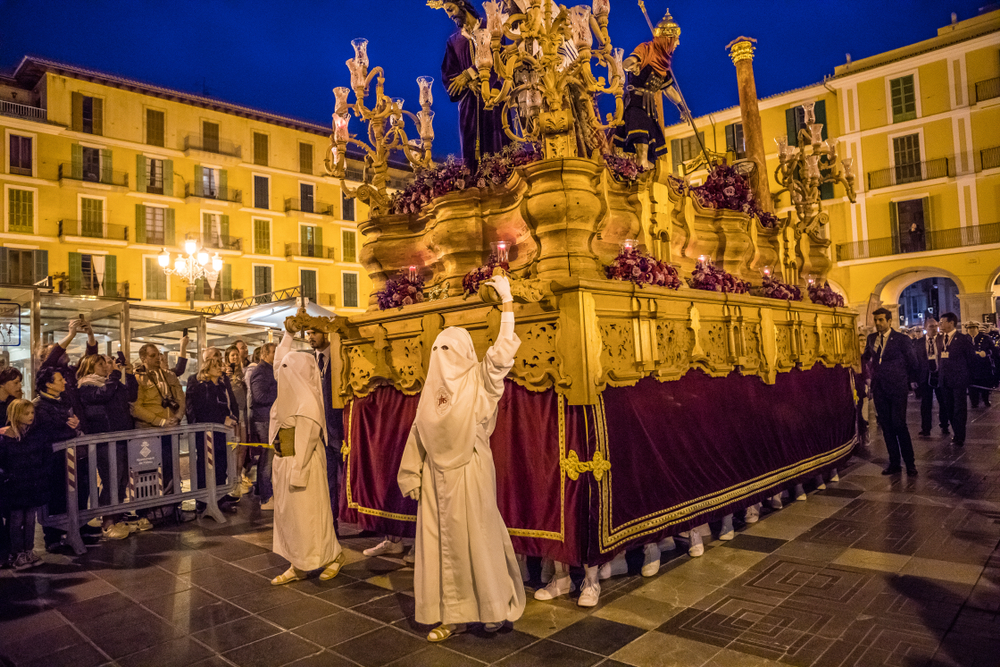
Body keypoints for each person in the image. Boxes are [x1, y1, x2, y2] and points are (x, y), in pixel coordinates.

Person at [398, 275, 526, 642]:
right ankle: (449, 615)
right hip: (435, 481)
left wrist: (507, 302)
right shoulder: (430, 392)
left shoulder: (479, 381)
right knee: (442, 549)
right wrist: (411, 474)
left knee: (477, 540)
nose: (441, 359)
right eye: (437, 351)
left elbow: (502, 352)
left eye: (448, 351)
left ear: (466, 352)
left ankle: (490, 609)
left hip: (470, 473)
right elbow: (418, 433)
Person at [268, 330, 344, 585]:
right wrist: (287, 336)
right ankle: (298, 562)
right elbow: (279, 364)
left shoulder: (307, 403)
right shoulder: (287, 395)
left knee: (311, 517)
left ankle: (332, 556)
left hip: (304, 467)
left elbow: (308, 439)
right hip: (286, 462)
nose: (283, 374)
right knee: (293, 519)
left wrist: (297, 470)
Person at [436, 0, 510, 171]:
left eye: (450, 9)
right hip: (469, 106)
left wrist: (468, 73)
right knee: (471, 149)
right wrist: (469, 84)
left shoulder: (492, 27)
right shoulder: (454, 41)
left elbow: (500, 57)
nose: (449, 15)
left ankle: (500, 176)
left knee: (496, 140)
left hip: (494, 96)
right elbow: (449, 75)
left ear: (461, 3)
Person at [612, 12, 685, 169]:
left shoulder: (664, 64)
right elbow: (628, 62)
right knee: (642, 145)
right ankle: (639, 175)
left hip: (650, 108)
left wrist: (682, 108)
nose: (677, 43)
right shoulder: (646, 49)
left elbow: (668, 90)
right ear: (668, 39)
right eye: (676, 39)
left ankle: (644, 176)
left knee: (652, 152)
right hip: (636, 103)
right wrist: (634, 65)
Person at [78, 354, 139, 540]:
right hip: (105, 440)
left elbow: (131, 394)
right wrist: (114, 376)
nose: (105, 366)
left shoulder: (111, 382)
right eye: (100, 363)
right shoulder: (86, 384)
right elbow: (102, 395)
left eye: (107, 363)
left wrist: (127, 373)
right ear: (89, 366)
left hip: (121, 437)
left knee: (122, 480)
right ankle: (107, 522)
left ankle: (117, 516)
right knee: (111, 479)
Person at [33, 366, 86, 551]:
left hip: (69, 457)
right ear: (48, 384)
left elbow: (71, 420)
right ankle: (52, 538)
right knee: (55, 496)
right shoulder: (39, 406)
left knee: (73, 493)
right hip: (52, 460)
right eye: (59, 379)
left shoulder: (63, 400)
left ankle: (75, 529)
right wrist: (70, 429)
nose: (64, 381)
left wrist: (76, 422)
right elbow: (49, 431)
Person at [861, 308, 918, 476]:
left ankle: (910, 463)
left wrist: (911, 381)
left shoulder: (901, 339)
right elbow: (865, 357)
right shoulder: (872, 339)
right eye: (876, 320)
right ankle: (894, 462)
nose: (877, 323)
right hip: (879, 388)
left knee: (899, 424)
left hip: (897, 387)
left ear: (889, 321)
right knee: (886, 425)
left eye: (881, 320)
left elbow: (912, 362)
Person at [131, 343, 185, 513]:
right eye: (153, 355)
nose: (158, 358)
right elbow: (135, 407)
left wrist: (177, 417)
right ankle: (146, 511)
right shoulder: (138, 378)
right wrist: (159, 421)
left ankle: (170, 507)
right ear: (143, 358)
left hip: (170, 430)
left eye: (159, 355)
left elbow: (181, 399)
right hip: (148, 431)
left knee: (170, 467)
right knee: (147, 470)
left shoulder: (169, 376)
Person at [186, 356, 240, 514]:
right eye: (215, 365)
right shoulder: (202, 386)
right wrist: (223, 419)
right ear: (207, 368)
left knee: (222, 463)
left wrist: (232, 417)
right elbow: (202, 408)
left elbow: (228, 404)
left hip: (222, 432)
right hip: (207, 432)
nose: (219, 368)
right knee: (205, 465)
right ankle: (203, 500)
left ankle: (220, 497)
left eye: (220, 365)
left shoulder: (222, 385)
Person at [0, 400, 49, 570]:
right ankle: (16, 552)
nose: (30, 417)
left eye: (32, 413)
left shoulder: (34, 434)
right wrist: (7, 477)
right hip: (15, 484)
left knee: (30, 519)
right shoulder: (5, 437)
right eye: (26, 413)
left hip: (32, 481)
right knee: (16, 519)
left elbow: (44, 455)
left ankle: (28, 550)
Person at [307, 327, 343, 532]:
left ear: (326, 333)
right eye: (308, 333)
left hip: (340, 427)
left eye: (315, 332)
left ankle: (364, 519)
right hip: (320, 430)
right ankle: (332, 524)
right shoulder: (309, 360)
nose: (310, 337)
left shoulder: (339, 355)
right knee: (327, 479)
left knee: (349, 475)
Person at [939, 313, 975, 447]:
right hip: (945, 380)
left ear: (951, 323)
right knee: (949, 408)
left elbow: (971, 359)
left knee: (959, 408)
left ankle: (960, 436)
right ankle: (956, 432)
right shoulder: (940, 338)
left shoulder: (962, 339)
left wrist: (968, 377)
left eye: (942, 322)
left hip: (959, 380)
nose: (940, 324)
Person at [249, 343, 278, 510]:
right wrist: (279, 391)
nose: (276, 354)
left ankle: (263, 491)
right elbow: (259, 396)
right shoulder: (261, 371)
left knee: (268, 457)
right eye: (274, 352)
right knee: (268, 457)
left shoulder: (269, 370)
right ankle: (266, 497)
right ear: (264, 354)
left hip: (268, 418)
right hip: (264, 419)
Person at [224, 345, 252, 495]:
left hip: (244, 413)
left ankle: (239, 477)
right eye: (232, 355)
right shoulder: (224, 375)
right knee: (234, 448)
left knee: (243, 447)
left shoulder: (244, 374)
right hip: (233, 415)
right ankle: (232, 480)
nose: (235, 357)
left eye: (236, 355)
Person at [913, 319, 946, 437]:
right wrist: (913, 379)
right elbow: (915, 361)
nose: (934, 329)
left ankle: (945, 424)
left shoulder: (943, 340)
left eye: (936, 326)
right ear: (925, 327)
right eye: (931, 326)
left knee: (943, 401)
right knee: (925, 404)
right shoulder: (918, 343)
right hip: (925, 376)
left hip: (939, 374)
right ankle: (926, 428)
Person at [966, 322, 997, 408]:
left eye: (974, 327)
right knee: (972, 387)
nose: (972, 330)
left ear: (977, 328)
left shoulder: (985, 338)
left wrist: (986, 353)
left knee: (984, 384)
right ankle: (974, 402)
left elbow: (994, 350)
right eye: (970, 328)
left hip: (983, 366)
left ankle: (985, 400)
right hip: (970, 367)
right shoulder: (964, 339)